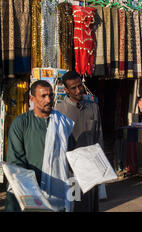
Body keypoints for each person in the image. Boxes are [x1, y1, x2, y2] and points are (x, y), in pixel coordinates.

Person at [5, 80, 74, 212]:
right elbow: (16, 160)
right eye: (43, 96)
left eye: (51, 95)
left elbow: (71, 155)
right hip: (30, 190)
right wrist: (30, 188)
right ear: (32, 98)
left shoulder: (62, 123)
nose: (48, 100)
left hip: (57, 191)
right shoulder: (21, 123)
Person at [54, 71, 104, 212]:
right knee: (75, 205)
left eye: (80, 86)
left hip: (92, 167)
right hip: (71, 171)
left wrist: (101, 163)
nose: (78, 90)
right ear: (66, 90)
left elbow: (99, 135)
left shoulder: (93, 107)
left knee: (92, 204)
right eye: (73, 88)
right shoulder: (59, 112)